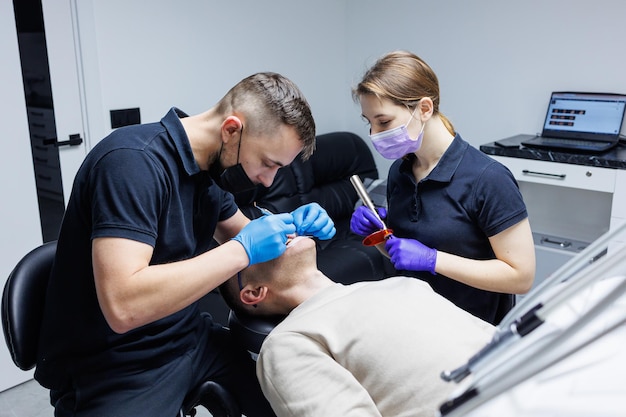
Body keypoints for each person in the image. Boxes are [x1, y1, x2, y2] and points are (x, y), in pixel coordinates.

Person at [34, 72, 336, 417]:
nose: (268, 180)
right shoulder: (131, 163)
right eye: (268, 164)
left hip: (187, 335)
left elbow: (249, 239)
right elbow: (123, 307)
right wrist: (242, 248)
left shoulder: (209, 172)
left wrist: (291, 228)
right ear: (231, 130)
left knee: (292, 398)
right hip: (113, 363)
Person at [350, 50, 536, 324]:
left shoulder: (488, 178)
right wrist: (380, 236)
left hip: (472, 330)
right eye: (370, 123)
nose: (374, 135)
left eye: (384, 121)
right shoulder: (399, 173)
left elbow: (521, 277)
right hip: (414, 319)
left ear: (424, 109)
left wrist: (432, 259)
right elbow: (403, 256)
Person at [218, 235, 495, 417]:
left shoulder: (399, 284)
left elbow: (497, 341)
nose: (276, 232)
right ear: (254, 293)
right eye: (252, 247)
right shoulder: (288, 342)